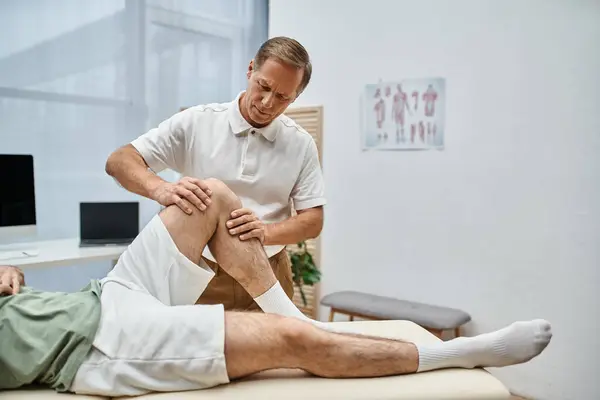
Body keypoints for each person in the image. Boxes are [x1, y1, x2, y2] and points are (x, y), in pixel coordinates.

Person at [1, 179, 552, 397]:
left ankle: (297, 313)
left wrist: (12, 276)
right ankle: (457, 350)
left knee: (210, 194)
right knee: (288, 341)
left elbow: (311, 219)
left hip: (102, 294)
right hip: (95, 344)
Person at [105, 36, 325, 311]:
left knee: (275, 351)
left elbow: (312, 220)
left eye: (282, 97)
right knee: (197, 352)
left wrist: (265, 233)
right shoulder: (198, 122)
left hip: (270, 271)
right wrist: (160, 188)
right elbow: (120, 160)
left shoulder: (300, 143)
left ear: (296, 96)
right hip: (202, 275)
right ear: (250, 70)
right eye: (264, 86)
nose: (268, 103)